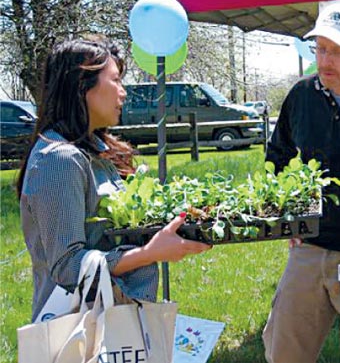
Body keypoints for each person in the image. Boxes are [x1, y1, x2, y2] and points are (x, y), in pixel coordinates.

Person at [17, 37, 211, 322]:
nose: (123, 93)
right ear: (82, 86)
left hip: (117, 320)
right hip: (79, 331)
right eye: (116, 80)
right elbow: (69, 267)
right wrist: (149, 253)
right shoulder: (59, 161)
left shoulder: (96, 152)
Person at [262, 1, 340, 363]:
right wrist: (285, 212)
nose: (325, 60)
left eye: (337, 51)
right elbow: (277, 157)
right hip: (308, 248)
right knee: (282, 350)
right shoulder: (302, 95)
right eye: (320, 48)